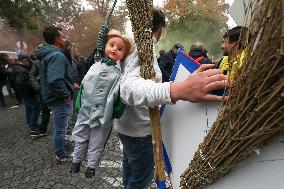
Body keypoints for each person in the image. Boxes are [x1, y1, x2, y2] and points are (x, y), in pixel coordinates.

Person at [113, 9, 229, 189]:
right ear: (159, 29)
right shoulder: (142, 47)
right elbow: (128, 89)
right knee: (140, 178)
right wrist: (179, 89)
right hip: (138, 133)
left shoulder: (126, 43)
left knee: (131, 170)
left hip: (127, 127)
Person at [69, 29, 133, 178]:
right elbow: (85, 85)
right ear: (105, 46)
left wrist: (115, 112)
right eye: (111, 45)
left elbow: (120, 96)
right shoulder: (95, 66)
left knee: (97, 142)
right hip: (85, 111)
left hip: (102, 116)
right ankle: (76, 160)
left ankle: (91, 166)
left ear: (123, 54)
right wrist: (79, 102)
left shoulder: (118, 75)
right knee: (80, 136)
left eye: (120, 49)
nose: (114, 49)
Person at [36, 26, 75, 163]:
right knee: (60, 129)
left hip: (53, 98)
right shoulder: (57, 55)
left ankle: (62, 148)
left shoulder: (47, 54)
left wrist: (70, 85)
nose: (64, 39)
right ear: (57, 39)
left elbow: (47, 77)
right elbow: (55, 80)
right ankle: (60, 155)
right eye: (62, 36)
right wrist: (65, 95)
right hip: (59, 99)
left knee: (60, 127)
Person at [12, 54, 42, 137]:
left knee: (29, 109)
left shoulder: (17, 68)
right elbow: (21, 82)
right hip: (29, 93)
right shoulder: (21, 70)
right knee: (36, 108)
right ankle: (33, 128)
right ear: (25, 60)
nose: (29, 63)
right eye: (28, 61)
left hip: (24, 93)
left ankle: (31, 124)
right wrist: (33, 86)